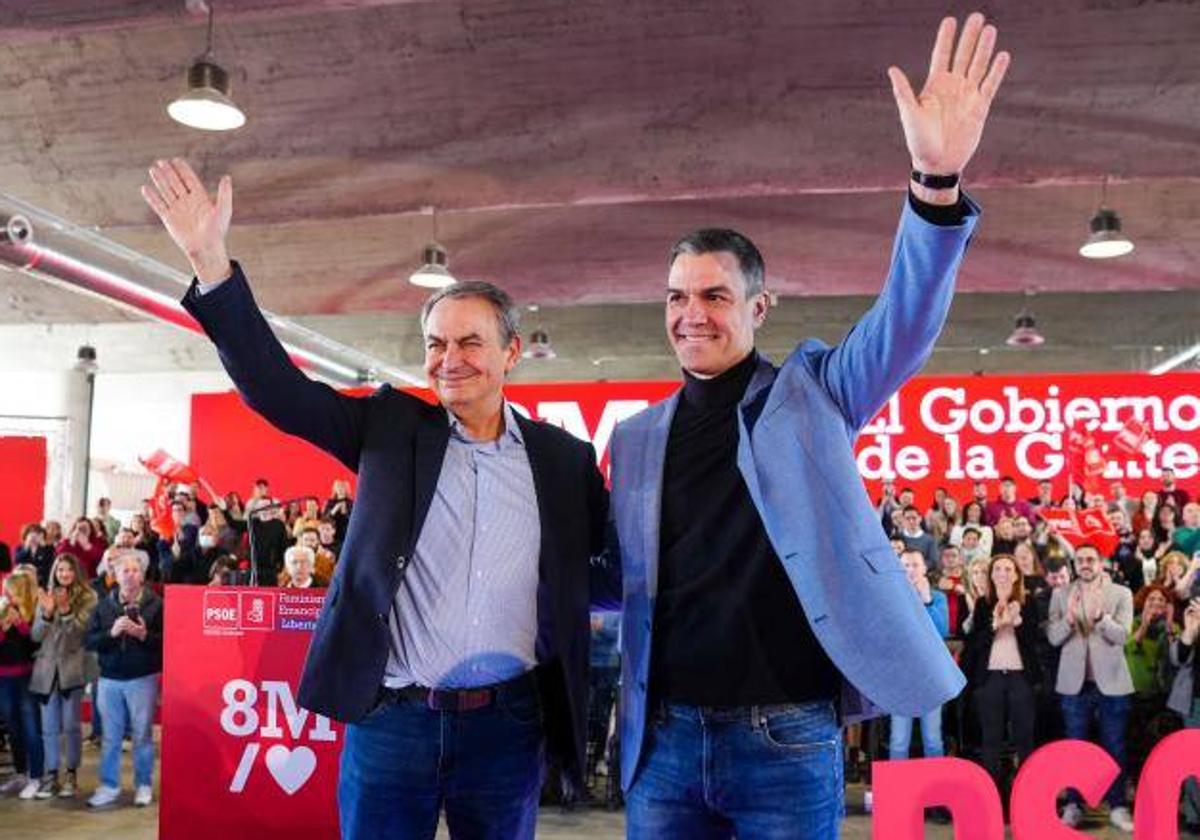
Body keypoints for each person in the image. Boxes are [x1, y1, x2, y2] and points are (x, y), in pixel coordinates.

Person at [606, 13, 1009, 837]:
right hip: (667, 744)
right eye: (677, 296)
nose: (692, 315)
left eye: (715, 295)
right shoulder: (637, 438)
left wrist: (934, 183)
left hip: (785, 737)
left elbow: (904, 321)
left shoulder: (814, 392)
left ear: (758, 306)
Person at [143, 159, 618, 840]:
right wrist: (211, 262)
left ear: (512, 351)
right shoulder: (391, 432)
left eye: (470, 342)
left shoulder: (563, 461)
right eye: (436, 344)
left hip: (510, 727)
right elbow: (278, 390)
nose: (449, 358)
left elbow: (601, 569)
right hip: (394, 722)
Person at [1047, 544, 1135, 832]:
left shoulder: (1121, 593)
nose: (1085, 563)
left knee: (1115, 747)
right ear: (1074, 564)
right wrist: (1070, 619)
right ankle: (1074, 805)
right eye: (1080, 560)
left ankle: (1118, 806)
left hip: (1113, 684)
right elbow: (1053, 638)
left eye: (1090, 559)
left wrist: (1101, 619)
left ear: (1101, 563)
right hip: (1074, 686)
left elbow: (1123, 636)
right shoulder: (1060, 594)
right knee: (1075, 748)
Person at [84, 549, 163, 809]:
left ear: (143, 575)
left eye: (135, 570)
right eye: (124, 571)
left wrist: (143, 636)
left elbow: (168, 643)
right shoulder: (103, 606)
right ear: (115, 575)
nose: (130, 576)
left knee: (142, 735)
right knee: (110, 737)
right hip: (109, 680)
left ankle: (143, 784)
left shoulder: (157, 604)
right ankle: (109, 786)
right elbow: (90, 641)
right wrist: (112, 633)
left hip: (143, 678)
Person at [962, 554, 1040, 808]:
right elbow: (973, 646)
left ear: (1017, 574)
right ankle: (990, 802)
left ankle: (1027, 800)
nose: (1003, 573)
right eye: (998, 568)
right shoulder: (983, 605)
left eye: (1008, 568)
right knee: (990, 741)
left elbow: (1035, 643)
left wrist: (1016, 623)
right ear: (991, 575)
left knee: (1025, 739)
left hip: (1020, 679)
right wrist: (995, 624)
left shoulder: (1029, 604)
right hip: (991, 680)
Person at [30, 553, 99, 798]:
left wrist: (67, 610)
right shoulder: (45, 597)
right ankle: (51, 775)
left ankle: (71, 774)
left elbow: (79, 635)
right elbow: (36, 636)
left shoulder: (89, 598)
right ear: (54, 573)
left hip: (73, 668)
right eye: (60, 570)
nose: (64, 574)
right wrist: (47, 614)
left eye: (69, 570)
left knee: (71, 726)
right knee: (48, 728)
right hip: (46, 670)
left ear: (76, 572)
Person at [888, 550, 949, 762]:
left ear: (924, 568)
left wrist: (927, 600)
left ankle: (936, 791)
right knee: (898, 739)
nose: (911, 570)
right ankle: (897, 792)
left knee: (932, 739)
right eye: (906, 565)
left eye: (915, 565)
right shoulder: (891, 597)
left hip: (931, 675)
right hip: (901, 676)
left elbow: (940, 631)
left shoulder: (938, 597)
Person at [0, 569, 44, 799]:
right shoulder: (2, 611)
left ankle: (36, 776)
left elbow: (34, 644)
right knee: (13, 727)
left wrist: (19, 626)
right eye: (6, 591)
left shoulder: (32, 613)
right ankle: (20, 772)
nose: (8, 595)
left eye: (12, 591)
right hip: (4, 678)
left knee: (31, 727)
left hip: (26, 677)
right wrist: (3, 629)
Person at [1167, 597, 1200, 830]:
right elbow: (1177, 658)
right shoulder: (1194, 619)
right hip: (1195, 702)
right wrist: (1189, 631)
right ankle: (1194, 816)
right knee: (1193, 761)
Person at [14, 523, 55, 588]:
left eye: (37, 534)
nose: (34, 537)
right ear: (25, 536)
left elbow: (50, 563)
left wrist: (43, 545)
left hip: (43, 582)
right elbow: (17, 561)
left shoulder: (49, 548)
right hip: (25, 582)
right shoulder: (19, 548)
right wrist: (26, 546)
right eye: (30, 534)